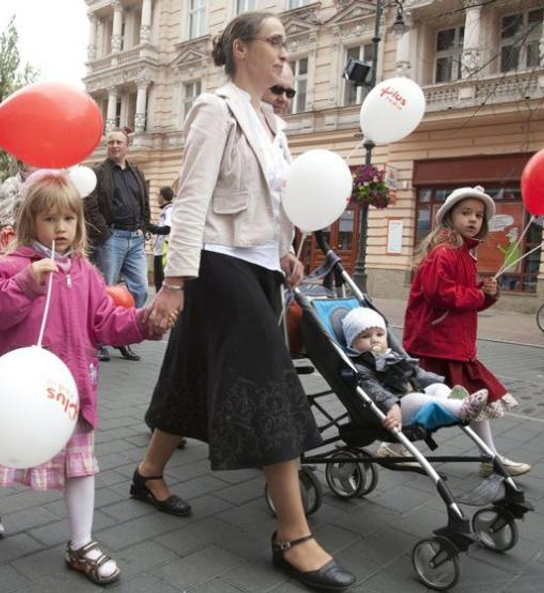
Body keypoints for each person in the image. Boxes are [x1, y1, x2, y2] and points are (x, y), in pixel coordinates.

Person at [139, 12, 355, 591]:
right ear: (241, 49)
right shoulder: (216, 109)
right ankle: (293, 535)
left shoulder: (272, 124)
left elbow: (273, 204)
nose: (286, 54)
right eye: (277, 43)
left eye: (287, 44)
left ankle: (148, 470)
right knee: (270, 384)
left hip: (259, 268)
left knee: (193, 372)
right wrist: (175, 281)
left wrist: (284, 248)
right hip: (216, 262)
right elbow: (192, 198)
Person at [0, 169, 163, 584]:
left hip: (72, 391)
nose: (61, 228)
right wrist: (24, 282)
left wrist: (144, 323)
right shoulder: (12, 265)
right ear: (30, 220)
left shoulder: (85, 272)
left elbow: (105, 321)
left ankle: (81, 543)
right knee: (3, 455)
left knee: (80, 466)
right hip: (20, 395)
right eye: (50, 219)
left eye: (69, 219)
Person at [403, 186, 531, 477]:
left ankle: (489, 457)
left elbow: (462, 301)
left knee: (472, 400)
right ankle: (398, 447)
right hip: (434, 343)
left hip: (452, 343)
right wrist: (476, 295)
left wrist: (487, 294)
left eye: (478, 215)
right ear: (449, 217)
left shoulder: (463, 254)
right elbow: (442, 295)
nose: (473, 219)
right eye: (466, 213)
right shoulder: (444, 253)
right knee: (426, 399)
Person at [83, 128, 169, 362]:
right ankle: (99, 340)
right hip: (113, 238)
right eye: (110, 142)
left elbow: (144, 204)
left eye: (118, 142)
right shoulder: (99, 172)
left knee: (140, 289)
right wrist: (106, 234)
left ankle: (122, 336)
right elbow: (89, 206)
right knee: (106, 290)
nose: (114, 145)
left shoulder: (137, 173)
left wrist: (143, 228)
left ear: (127, 145)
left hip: (135, 238)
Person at [340, 307, 489, 432]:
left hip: (406, 401)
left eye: (380, 334)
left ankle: (455, 403)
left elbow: (416, 373)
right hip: (390, 411)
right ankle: (461, 409)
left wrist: (438, 379)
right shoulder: (360, 366)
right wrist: (392, 405)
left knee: (437, 387)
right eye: (366, 336)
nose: (375, 339)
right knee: (416, 398)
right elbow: (373, 389)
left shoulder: (391, 356)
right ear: (352, 344)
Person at [151, 186, 174, 292]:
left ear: (161, 196)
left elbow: (167, 229)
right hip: (159, 252)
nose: (157, 198)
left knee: (160, 283)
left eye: (158, 195)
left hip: (163, 253)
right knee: (158, 282)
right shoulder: (166, 210)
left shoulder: (169, 210)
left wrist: (151, 227)